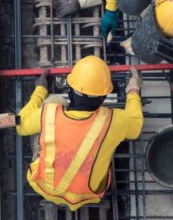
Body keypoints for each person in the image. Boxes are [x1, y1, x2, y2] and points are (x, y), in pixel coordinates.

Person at [15, 55, 143, 211]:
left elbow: (21, 126)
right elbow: (136, 127)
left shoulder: (49, 114)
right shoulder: (114, 120)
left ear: (70, 91)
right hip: (88, 194)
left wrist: (40, 89)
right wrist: (133, 90)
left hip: (45, 186)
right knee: (108, 139)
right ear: (103, 99)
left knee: (53, 101)